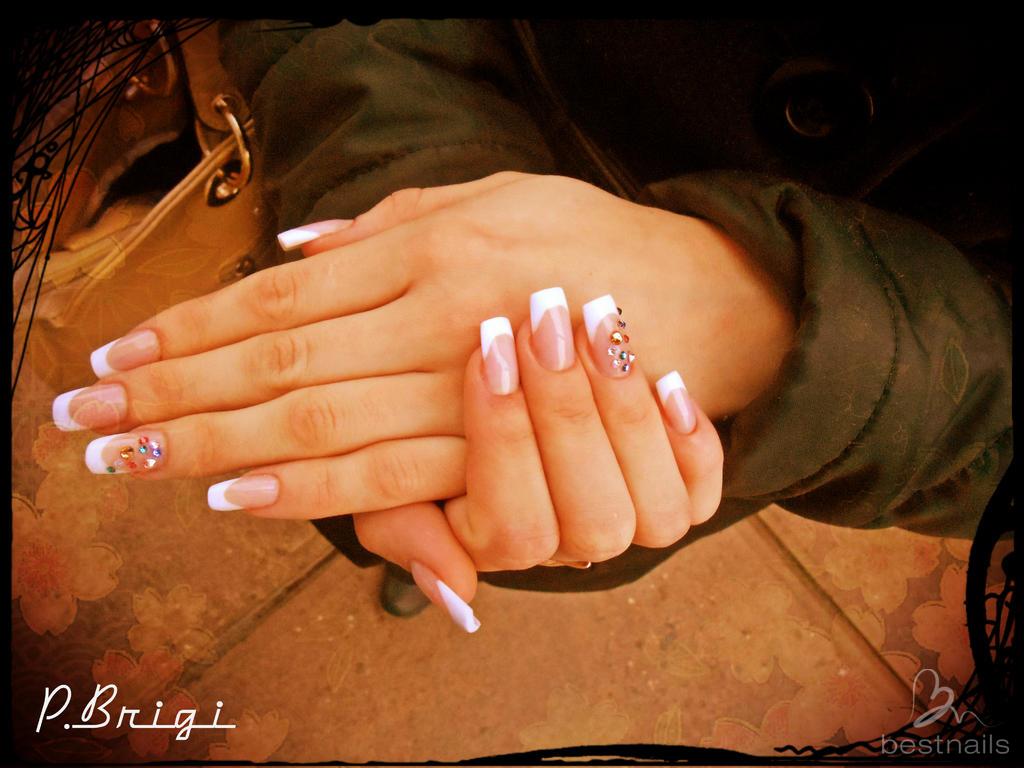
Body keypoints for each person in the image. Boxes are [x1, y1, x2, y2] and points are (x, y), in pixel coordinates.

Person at [50, 20, 1012, 625]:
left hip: (707, 432)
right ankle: (437, 548)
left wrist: (789, 323)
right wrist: (412, 181)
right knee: (397, 475)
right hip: (439, 84)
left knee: (507, 518)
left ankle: (442, 555)